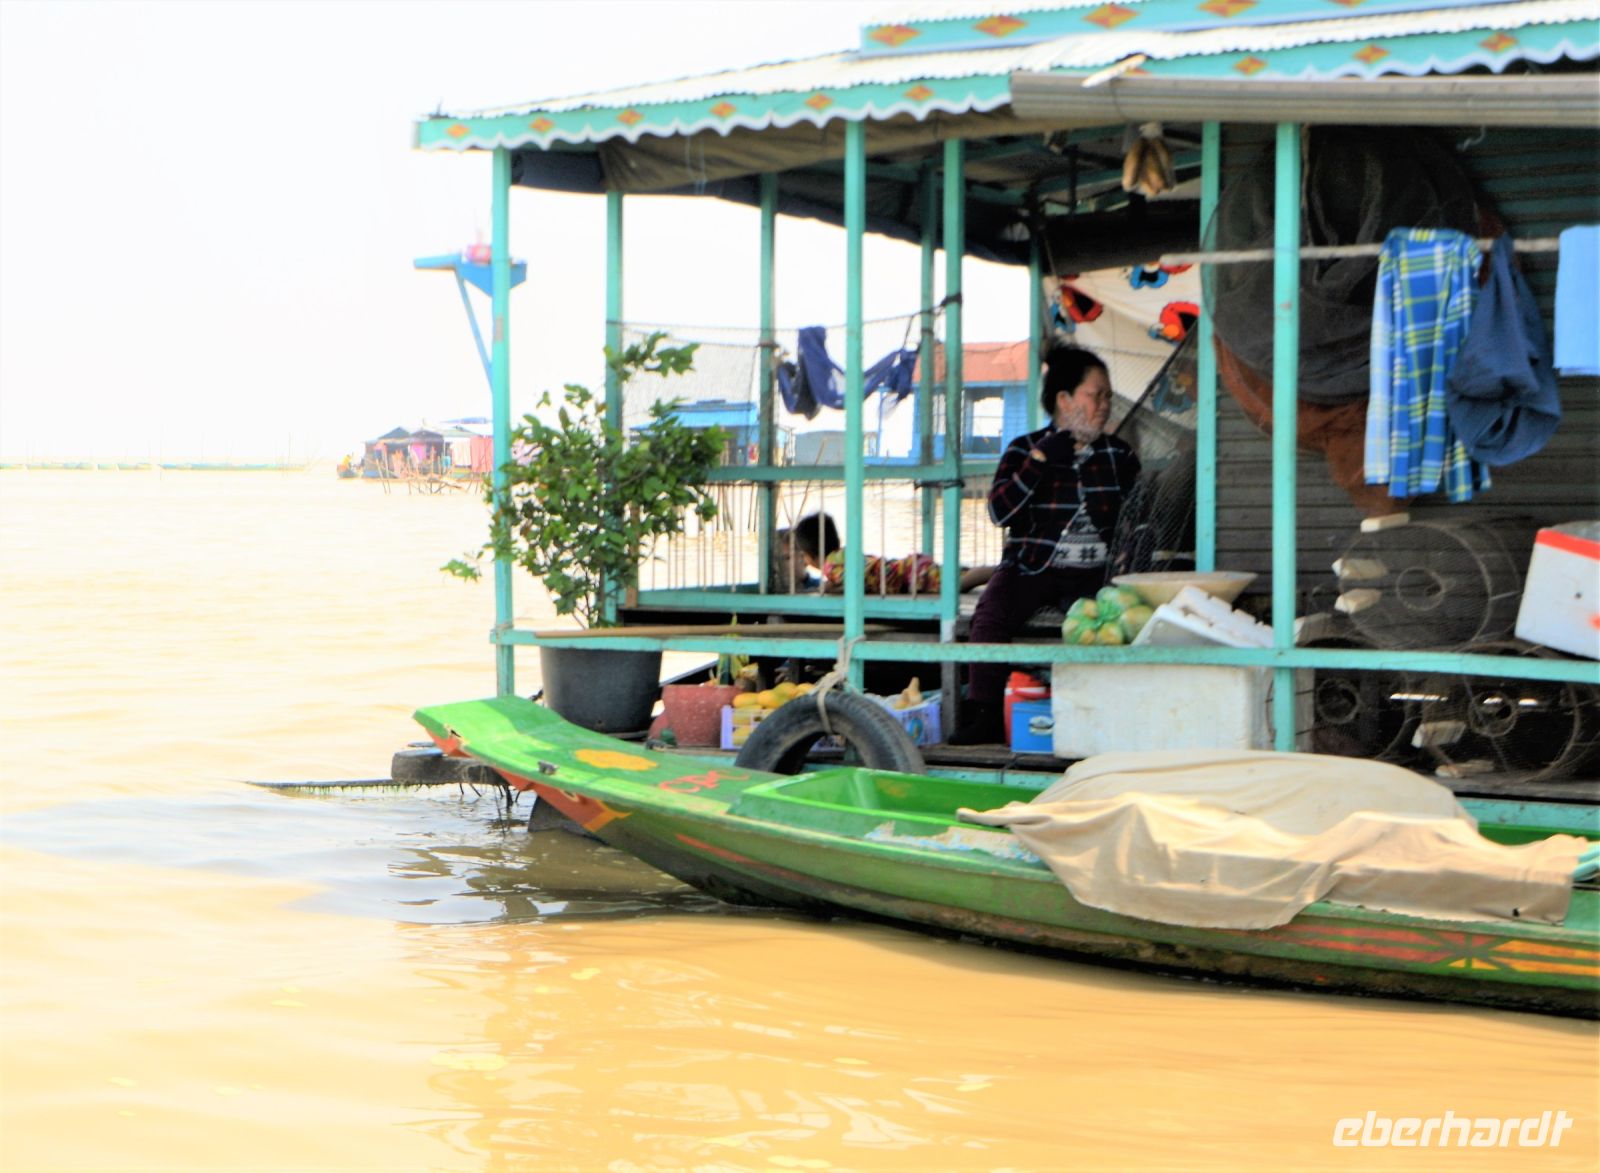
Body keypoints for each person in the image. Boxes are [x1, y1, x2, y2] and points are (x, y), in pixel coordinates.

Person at [948, 344, 1141, 745]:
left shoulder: (1118, 454)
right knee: (991, 614)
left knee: (1104, 625)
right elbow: (1000, 513)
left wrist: (1123, 568)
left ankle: (1100, 719)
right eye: (1096, 394)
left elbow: (1135, 522)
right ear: (1064, 400)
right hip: (1031, 567)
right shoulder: (1024, 448)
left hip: (1094, 574)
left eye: (1107, 396)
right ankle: (984, 713)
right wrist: (1039, 461)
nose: (1105, 405)